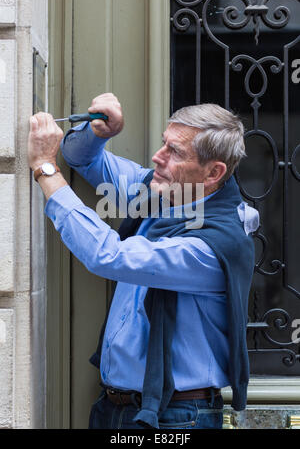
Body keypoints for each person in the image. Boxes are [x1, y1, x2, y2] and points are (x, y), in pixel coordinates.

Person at [27, 93, 259, 430]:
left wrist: (45, 169)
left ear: (213, 172)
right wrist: (99, 133)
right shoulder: (160, 193)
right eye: (164, 143)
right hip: (114, 408)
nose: (157, 157)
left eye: (175, 152)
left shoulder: (212, 246)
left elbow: (108, 256)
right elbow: (82, 160)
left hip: (177, 418)